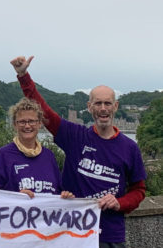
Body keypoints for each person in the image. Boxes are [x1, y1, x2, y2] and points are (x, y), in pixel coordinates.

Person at [10, 56, 147, 247]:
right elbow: (45, 113)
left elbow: (139, 190)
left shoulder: (129, 148)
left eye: (107, 103)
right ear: (89, 107)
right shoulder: (75, 136)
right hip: (72, 233)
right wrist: (23, 75)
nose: (103, 108)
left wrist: (119, 203)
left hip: (110, 235)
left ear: (115, 107)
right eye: (98, 103)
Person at [0, 97, 73, 199]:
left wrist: (66, 197)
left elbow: (58, 191)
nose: (27, 126)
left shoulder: (49, 156)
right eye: (22, 122)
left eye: (32, 121)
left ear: (40, 123)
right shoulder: (4, 155)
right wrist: (16, 197)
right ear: (15, 124)